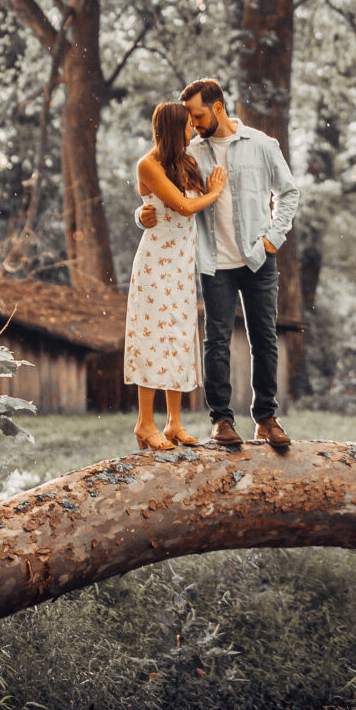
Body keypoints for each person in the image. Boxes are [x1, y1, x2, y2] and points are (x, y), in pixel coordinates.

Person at [138, 77, 299, 452]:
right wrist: (140, 214)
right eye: (189, 120)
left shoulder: (262, 145)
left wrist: (272, 240)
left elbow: (288, 193)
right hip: (213, 263)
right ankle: (222, 421)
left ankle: (266, 419)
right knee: (216, 343)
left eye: (197, 116)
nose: (192, 125)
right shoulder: (190, 152)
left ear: (218, 108)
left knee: (264, 340)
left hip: (258, 258)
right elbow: (158, 192)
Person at [126, 99, 229, 451]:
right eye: (187, 124)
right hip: (156, 264)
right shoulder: (148, 164)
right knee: (152, 338)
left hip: (182, 265)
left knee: (178, 337)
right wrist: (213, 193)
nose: (192, 129)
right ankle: (144, 423)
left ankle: (174, 423)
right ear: (172, 128)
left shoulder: (186, 161)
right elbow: (183, 206)